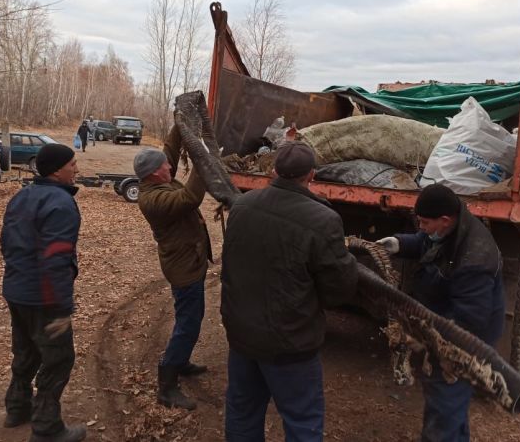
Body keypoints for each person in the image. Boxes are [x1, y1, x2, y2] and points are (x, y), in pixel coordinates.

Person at [220, 141, 358, 441]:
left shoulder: (242, 205)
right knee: (302, 420)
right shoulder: (323, 219)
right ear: (312, 175)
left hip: (242, 335)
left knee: (242, 411)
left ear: (273, 170)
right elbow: (339, 291)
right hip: (290, 344)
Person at [377, 183, 504, 442]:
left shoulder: (474, 260)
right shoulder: (450, 231)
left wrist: (425, 335)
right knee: (451, 405)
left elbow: (470, 320)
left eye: (424, 222)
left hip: (465, 340)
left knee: (445, 403)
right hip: (448, 321)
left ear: (445, 220)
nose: (420, 227)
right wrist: (399, 244)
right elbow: (425, 242)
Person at [0, 143, 86, 442]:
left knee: (25, 351)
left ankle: (17, 408)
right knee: (59, 358)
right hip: (42, 297)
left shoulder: (21, 196)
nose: (77, 169)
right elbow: (56, 259)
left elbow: (6, 244)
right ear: (56, 170)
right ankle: (47, 428)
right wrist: (60, 308)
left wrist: (17, 279)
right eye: (72, 164)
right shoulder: (61, 204)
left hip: (15, 290)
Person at [134, 125, 212, 411]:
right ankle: (167, 385)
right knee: (188, 323)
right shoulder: (153, 199)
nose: (171, 165)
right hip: (184, 269)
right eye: (166, 165)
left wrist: (180, 125)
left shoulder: (157, 177)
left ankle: (181, 361)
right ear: (156, 173)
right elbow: (190, 198)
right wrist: (204, 161)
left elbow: (168, 152)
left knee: (192, 317)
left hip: (190, 261)